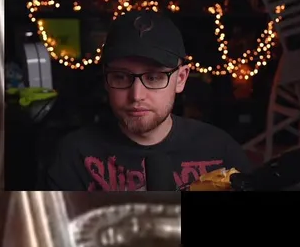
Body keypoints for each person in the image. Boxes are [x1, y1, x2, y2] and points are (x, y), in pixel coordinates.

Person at [45, 10, 252, 191]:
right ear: (106, 80)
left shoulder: (220, 151)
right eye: (120, 77)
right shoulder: (74, 155)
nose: (136, 95)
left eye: (153, 78)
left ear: (181, 79)